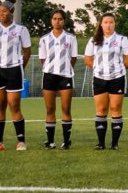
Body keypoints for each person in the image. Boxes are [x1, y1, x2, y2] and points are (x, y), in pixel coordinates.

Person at [85, 13, 128, 150]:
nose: (108, 25)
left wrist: (118, 69)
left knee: (115, 109)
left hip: (117, 79)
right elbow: (88, 59)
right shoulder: (94, 40)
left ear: (114, 24)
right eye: (105, 22)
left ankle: (114, 144)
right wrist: (98, 69)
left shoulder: (121, 39)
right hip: (99, 79)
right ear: (101, 24)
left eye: (111, 22)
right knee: (101, 109)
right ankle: (100, 143)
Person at [0, 0, 32, 151]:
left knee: (14, 105)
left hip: (14, 70)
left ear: (11, 12)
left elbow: (27, 51)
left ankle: (21, 142)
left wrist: (19, 66)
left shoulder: (21, 29)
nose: (1, 14)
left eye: (4, 11)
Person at [39, 10, 79, 150]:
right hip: (49, 75)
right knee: (50, 110)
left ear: (64, 21)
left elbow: (73, 58)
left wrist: (65, 68)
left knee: (66, 109)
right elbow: (42, 59)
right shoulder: (44, 39)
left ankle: (66, 141)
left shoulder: (70, 38)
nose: (57, 21)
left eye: (60, 19)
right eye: (55, 18)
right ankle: (50, 141)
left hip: (65, 75)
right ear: (51, 20)